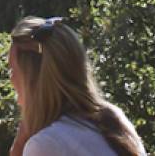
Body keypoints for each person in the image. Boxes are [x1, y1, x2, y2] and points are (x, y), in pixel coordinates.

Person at [8, 16, 146, 156]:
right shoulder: (114, 119)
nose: (11, 79)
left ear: (31, 78)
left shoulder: (45, 145)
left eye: (12, 70)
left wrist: (19, 145)